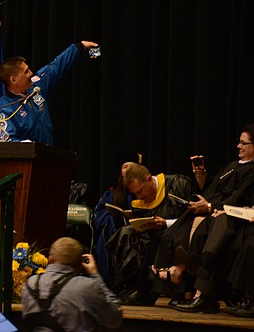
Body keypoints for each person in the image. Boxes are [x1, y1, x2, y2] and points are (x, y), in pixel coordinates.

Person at [150, 125, 254, 307]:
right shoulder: (231, 166)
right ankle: (183, 288)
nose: (238, 146)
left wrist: (209, 206)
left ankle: (192, 286)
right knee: (171, 234)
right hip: (210, 209)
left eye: (244, 143)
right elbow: (213, 188)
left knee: (201, 230)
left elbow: (238, 198)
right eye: (239, 142)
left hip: (228, 214)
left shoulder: (252, 171)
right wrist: (200, 174)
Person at [106, 163, 194, 305]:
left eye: (140, 191)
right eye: (135, 194)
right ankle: (123, 286)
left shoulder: (178, 184)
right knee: (126, 233)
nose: (139, 196)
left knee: (157, 237)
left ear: (148, 179)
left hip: (181, 232)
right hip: (156, 235)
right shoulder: (141, 200)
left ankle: (144, 291)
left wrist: (166, 223)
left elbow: (193, 217)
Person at [0, 41, 99, 144]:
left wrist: (79, 47)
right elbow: (4, 141)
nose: (31, 73)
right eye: (26, 71)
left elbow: (55, 67)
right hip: (27, 161)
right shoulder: (5, 109)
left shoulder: (36, 88)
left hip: (48, 156)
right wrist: (26, 145)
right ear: (13, 79)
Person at [20, 237, 122, 332]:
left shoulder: (30, 284)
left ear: (50, 259)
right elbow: (115, 320)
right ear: (80, 265)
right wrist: (94, 275)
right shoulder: (87, 287)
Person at [92, 152, 141, 284]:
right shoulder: (112, 193)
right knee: (106, 231)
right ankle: (110, 279)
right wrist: (114, 219)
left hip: (139, 230)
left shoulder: (144, 191)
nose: (128, 170)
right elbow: (99, 214)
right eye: (125, 166)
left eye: (132, 166)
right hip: (114, 229)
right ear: (121, 171)